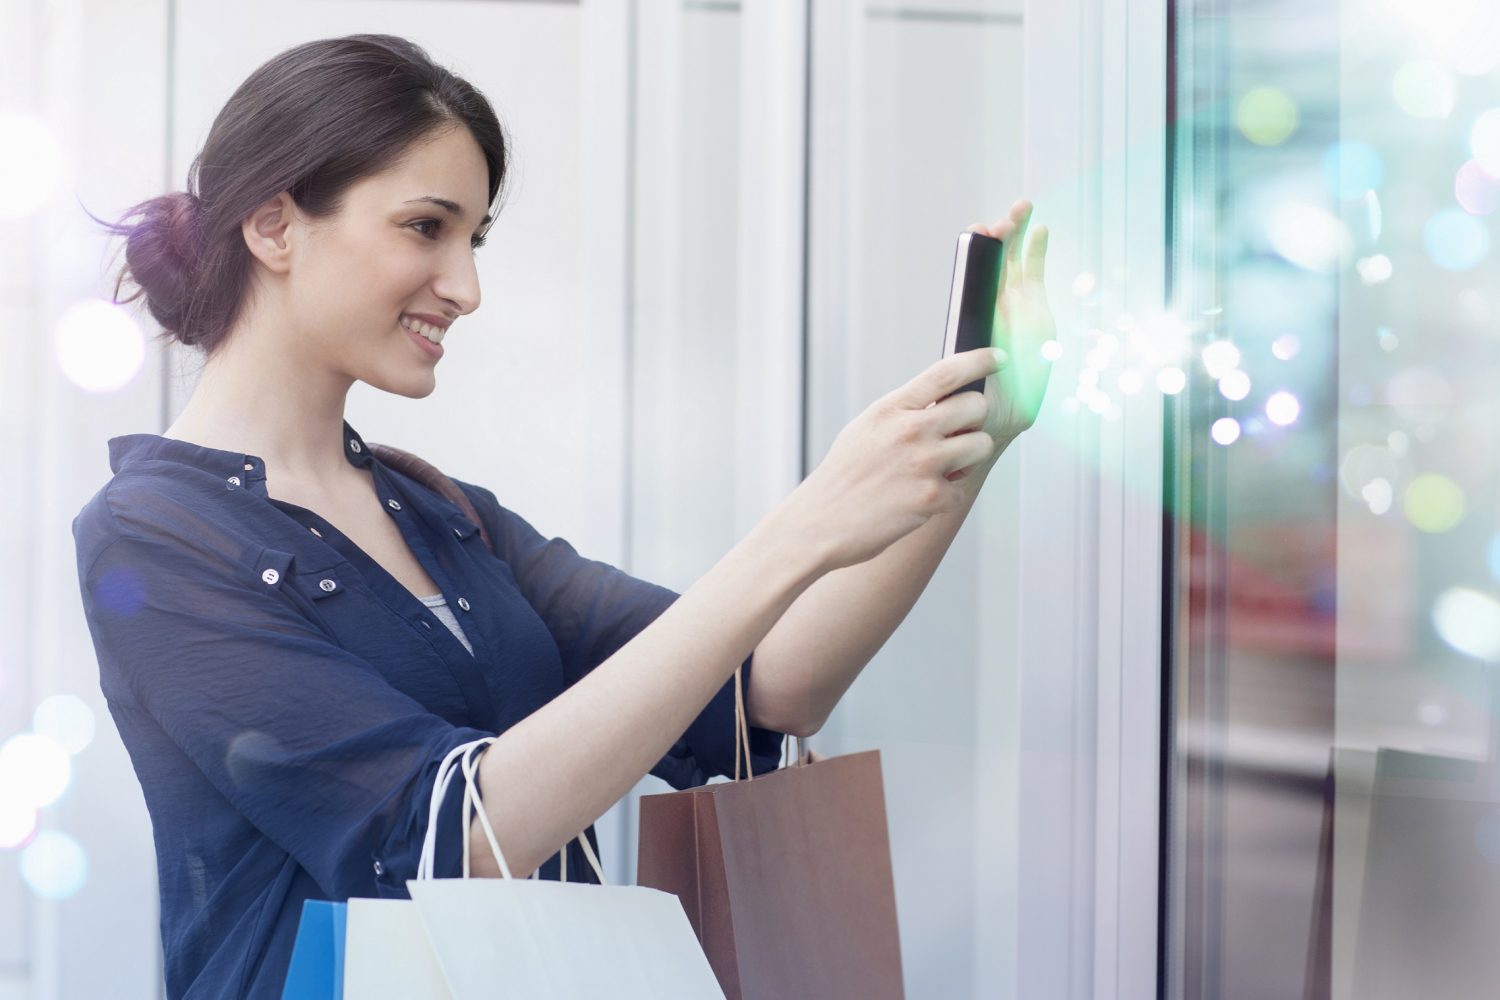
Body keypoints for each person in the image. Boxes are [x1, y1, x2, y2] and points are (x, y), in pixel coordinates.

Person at [71, 32, 1054, 1000]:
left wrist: (973, 442)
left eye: (475, 240)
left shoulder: (441, 514)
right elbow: (448, 833)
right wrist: (798, 530)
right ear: (275, 225)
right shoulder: (154, 534)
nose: (465, 286)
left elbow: (765, 688)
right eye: (427, 227)